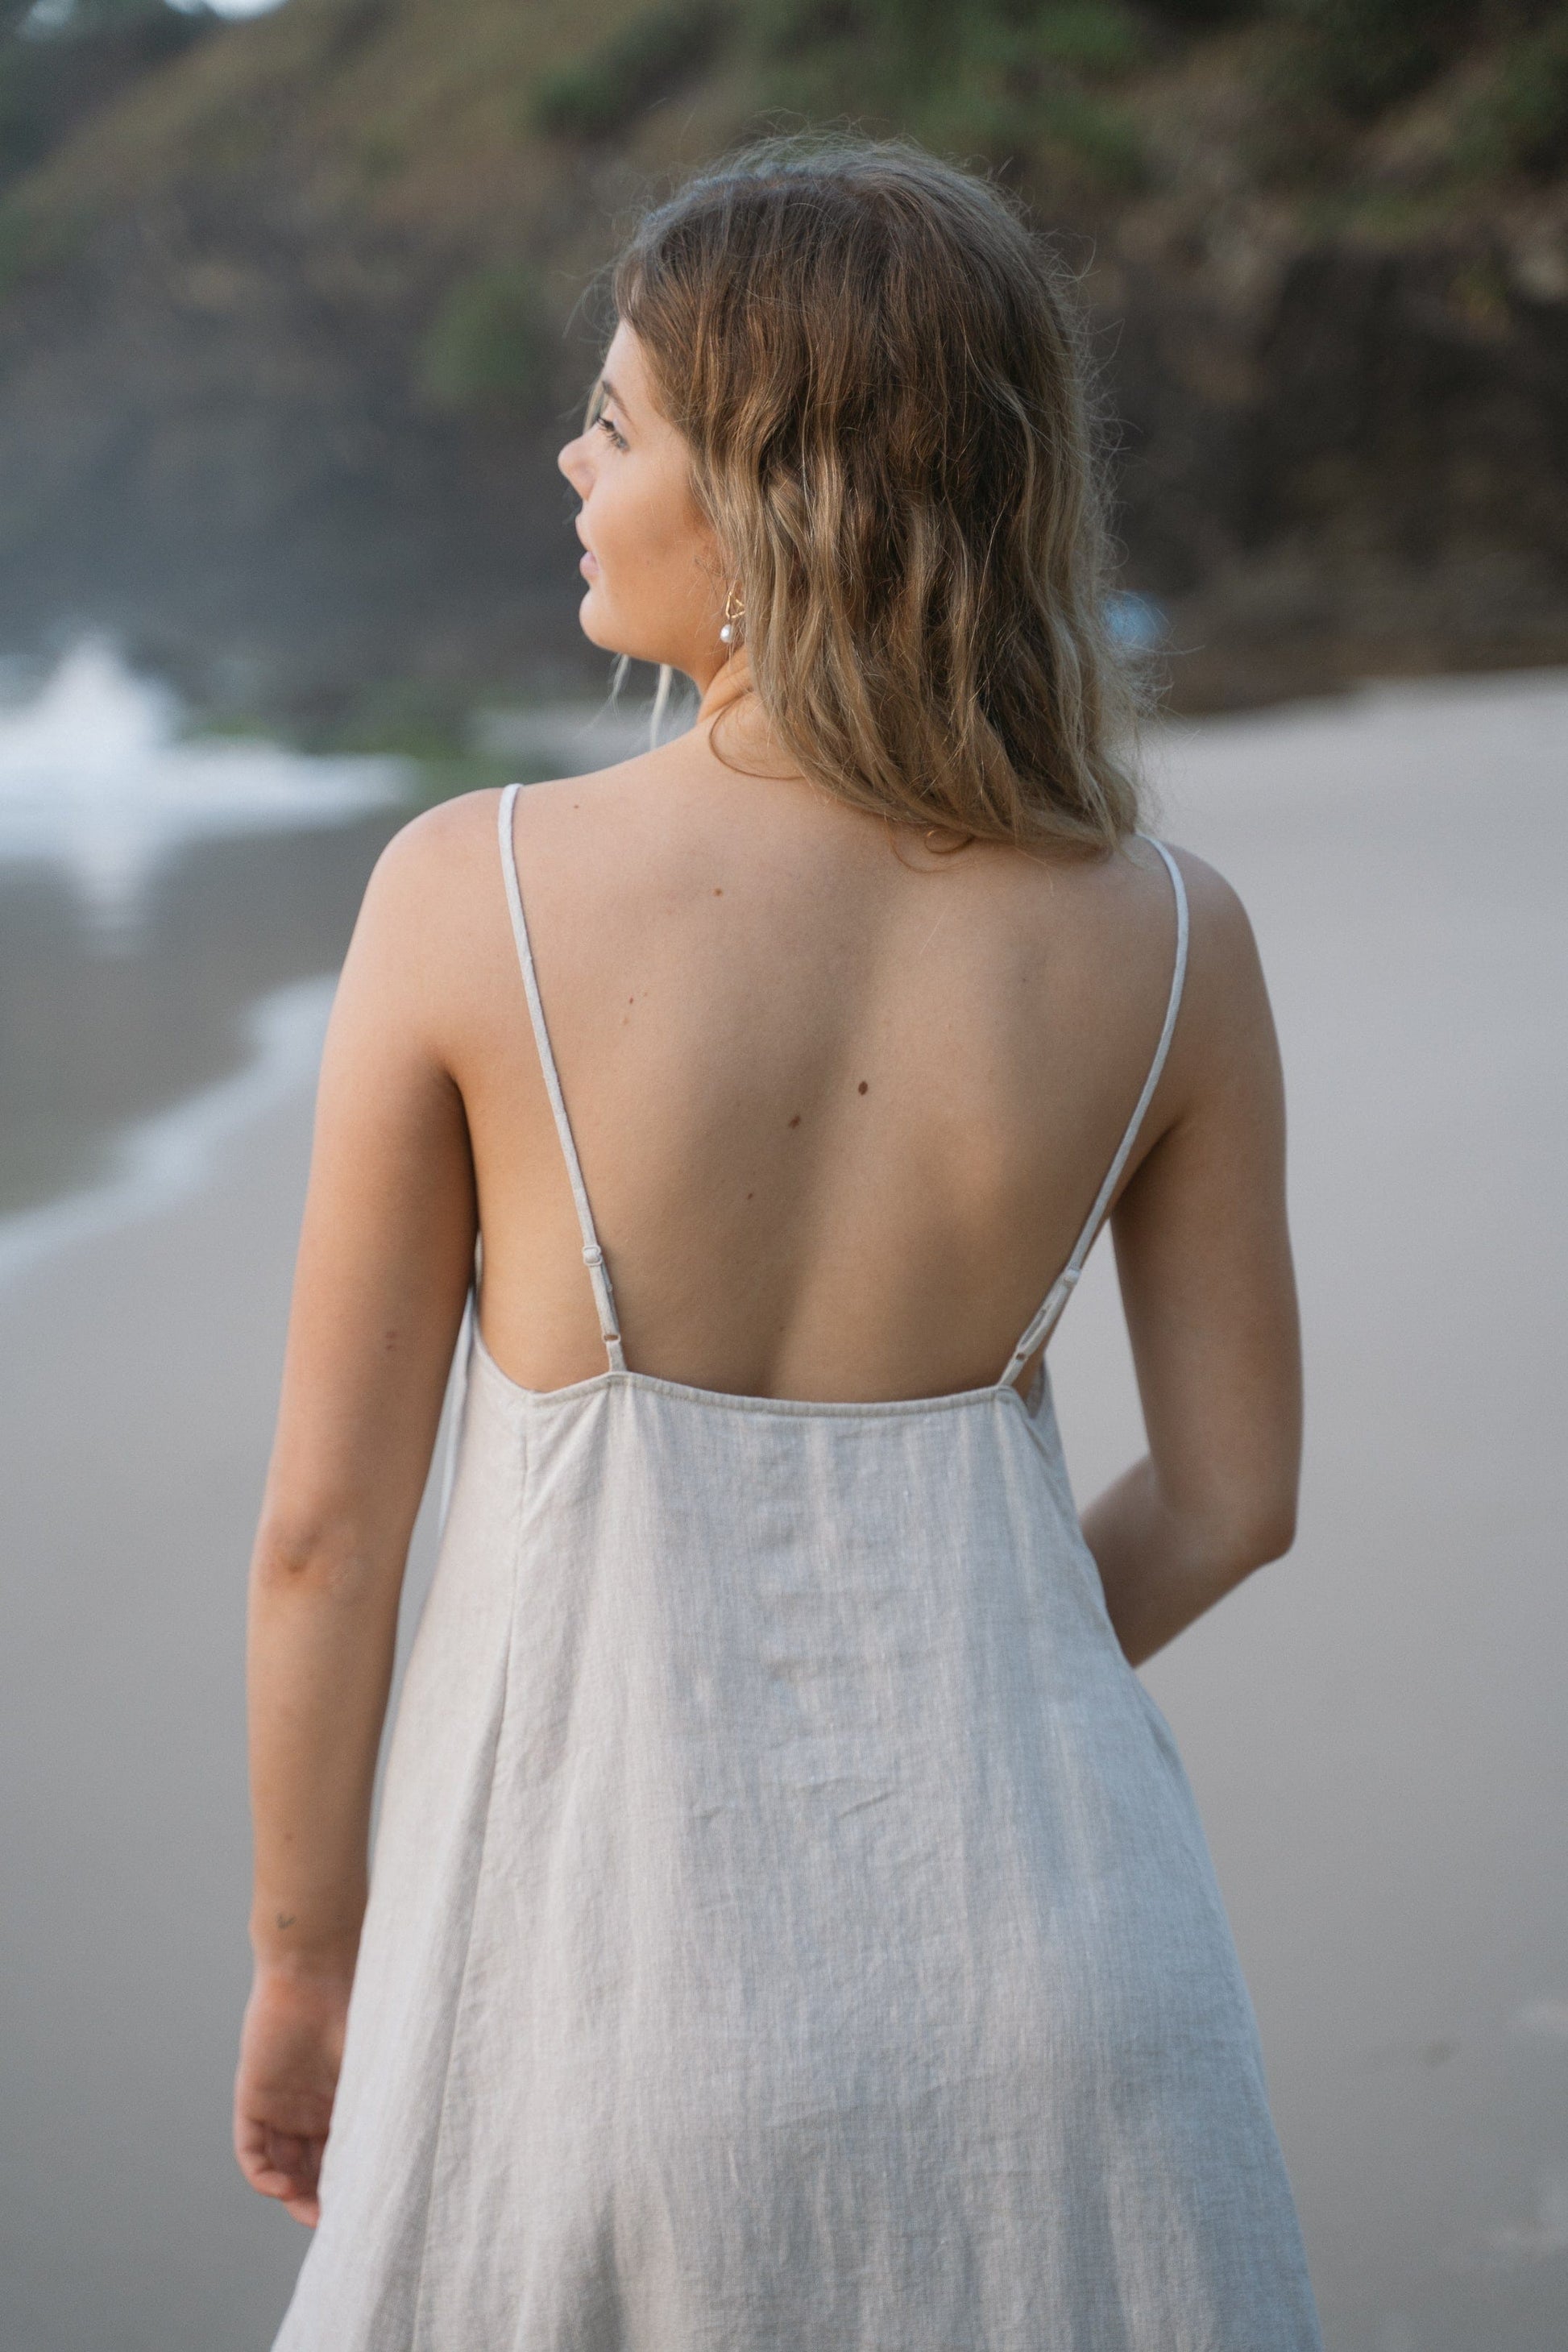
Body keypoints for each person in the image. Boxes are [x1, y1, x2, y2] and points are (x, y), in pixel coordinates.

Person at [234, 138, 1320, 2350]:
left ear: (773, 490)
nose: (569, 457)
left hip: (604, 1982)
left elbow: (325, 1543)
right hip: (1074, 1976)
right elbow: (1232, 1504)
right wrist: (957, 1689)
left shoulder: (478, 896)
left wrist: (306, 1962)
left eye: (619, 421)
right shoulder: (1175, 940)